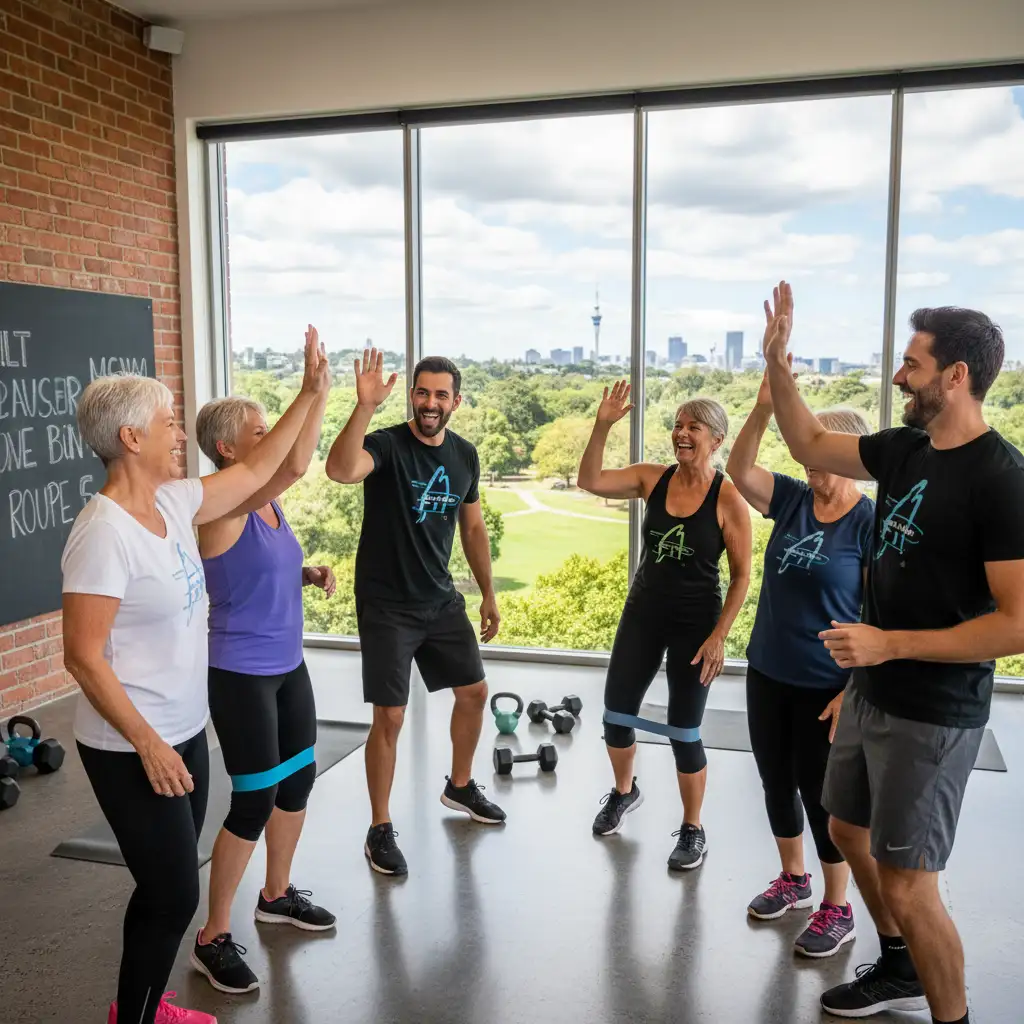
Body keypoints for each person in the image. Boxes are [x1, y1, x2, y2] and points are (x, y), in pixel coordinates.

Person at [763, 282, 1024, 1023]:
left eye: (913, 365)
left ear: (957, 375)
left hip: (934, 711)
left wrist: (888, 644)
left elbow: (1017, 625)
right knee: (846, 828)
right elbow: (809, 444)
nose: (899, 377)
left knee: (911, 884)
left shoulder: (1002, 480)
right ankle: (899, 964)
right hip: (872, 692)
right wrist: (777, 363)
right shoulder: (906, 450)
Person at [60, 327, 329, 1024]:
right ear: (131, 438)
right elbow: (82, 655)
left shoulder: (174, 502)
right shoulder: (103, 532)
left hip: (183, 731)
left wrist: (310, 394)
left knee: (170, 887)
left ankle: (145, 1007)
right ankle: (137, 1016)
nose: (179, 432)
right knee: (172, 893)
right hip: (131, 744)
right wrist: (148, 743)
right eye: (167, 422)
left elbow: (260, 468)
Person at [727, 290, 874, 958]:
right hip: (768, 670)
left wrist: (855, 690)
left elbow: (883, 617)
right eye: (808, 453)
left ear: (852, 458)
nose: (811, 465)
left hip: (826, 687)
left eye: (823, 455)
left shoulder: (869, 525)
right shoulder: (790, 500)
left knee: (825, 800)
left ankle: (838, 909)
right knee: (775, 782)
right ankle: (794, 879)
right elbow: (739, 469)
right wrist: (764, 403)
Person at [325, 350, 504, 877]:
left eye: (440, 394)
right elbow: (340, 470)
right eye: (422, 392)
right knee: (391, 716)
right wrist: (363, 407)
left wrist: (488, 592)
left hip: (440, 598)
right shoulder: (386, 444)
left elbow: (473, 527)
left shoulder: (464, 455)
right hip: (386, 604)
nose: (430, 403)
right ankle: (380, 827)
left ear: (456, 401)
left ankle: (460, 786)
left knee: (474, 692)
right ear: (411, 396)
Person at [188, 367, 338, 996]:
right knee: (253, 800)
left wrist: (303, 573)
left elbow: (253, 565)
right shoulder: (221, 504)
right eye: (259, 430)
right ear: (227, 448)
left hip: (287, 667)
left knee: (297, 780)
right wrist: (314, 393)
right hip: (241, 674)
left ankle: (275, 895)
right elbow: (296, 462)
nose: (270, 435)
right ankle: (212, 935)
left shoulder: (267, 504)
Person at [578, 385, 752, 870]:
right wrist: (603, 424)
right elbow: (590, 479)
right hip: (644, 613)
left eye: (693, 427)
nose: (681, 433)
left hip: (696, 623)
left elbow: (742, 576)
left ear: (716, 439)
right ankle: (624, 792)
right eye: (677, 425)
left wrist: (719, 637)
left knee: (684, 728)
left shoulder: (728, 498)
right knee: (616, 714)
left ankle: (693, 827)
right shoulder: (652, 478)